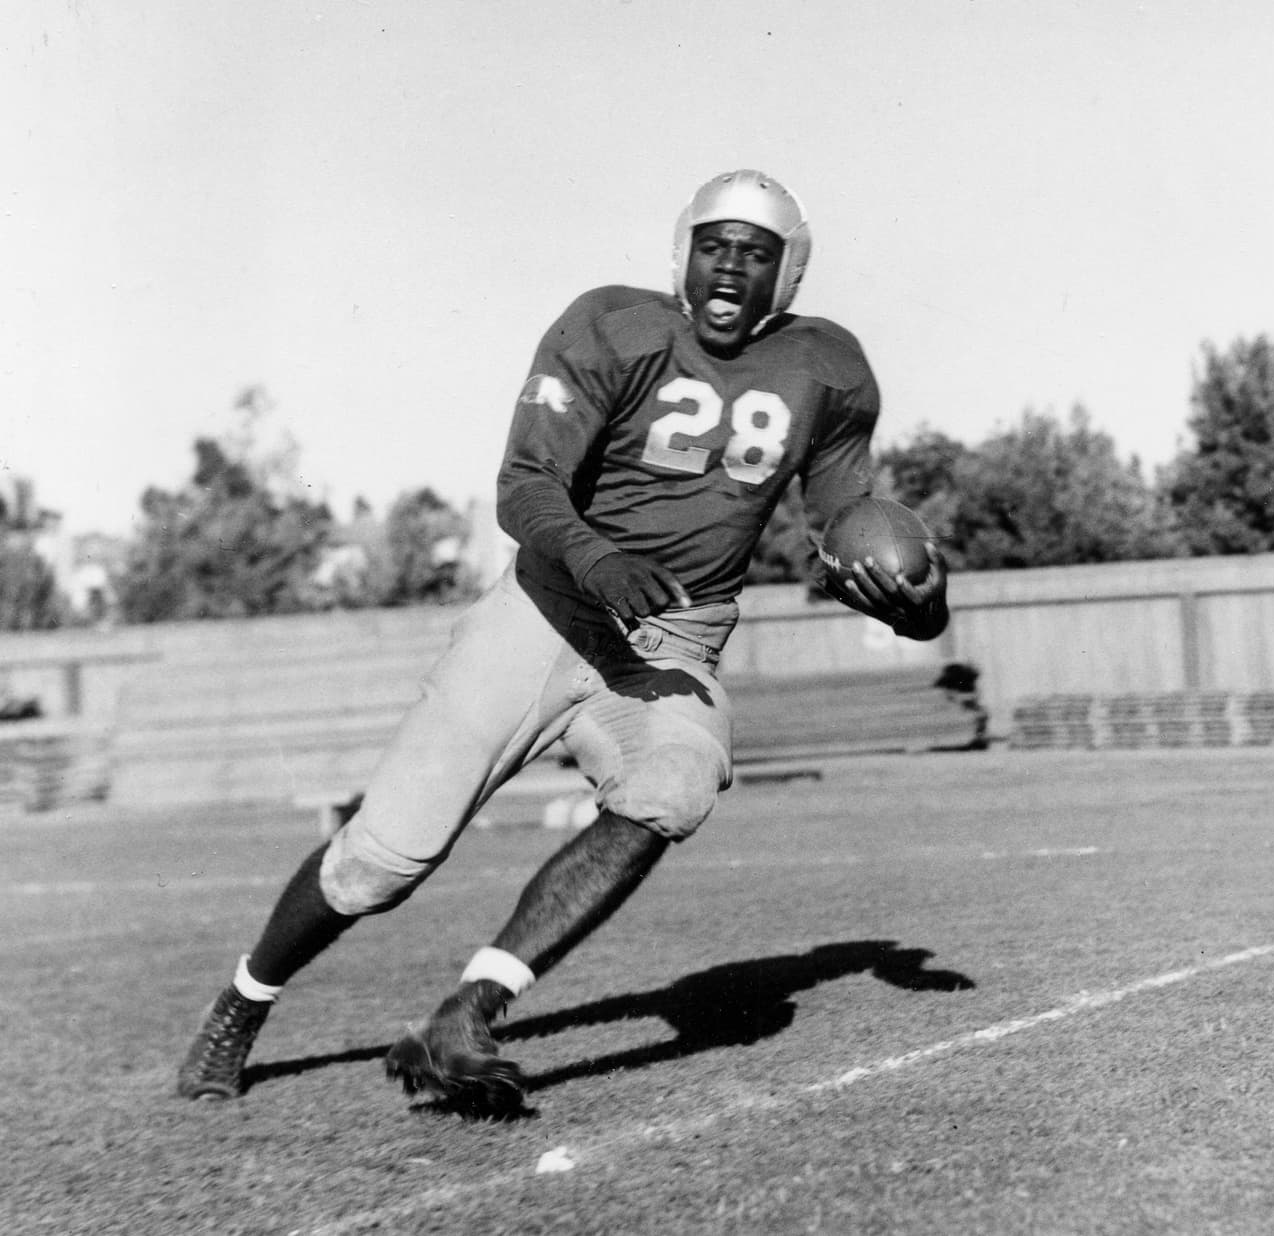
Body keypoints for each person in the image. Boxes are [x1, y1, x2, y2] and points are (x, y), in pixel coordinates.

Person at [177, 169, 949, 1115]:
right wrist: (598, 560)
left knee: (676, 784)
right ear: (681, 252)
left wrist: (904, 601)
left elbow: (839, 517)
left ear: (788, 275)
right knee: (378, 864)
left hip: (674, 641)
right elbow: (525, 485)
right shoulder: (611, 326)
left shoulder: (826, 368)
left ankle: (469, 1011)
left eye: (757, 253)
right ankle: (241, 1004)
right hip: (543, 613)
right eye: (716, 245)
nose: (731, 268)